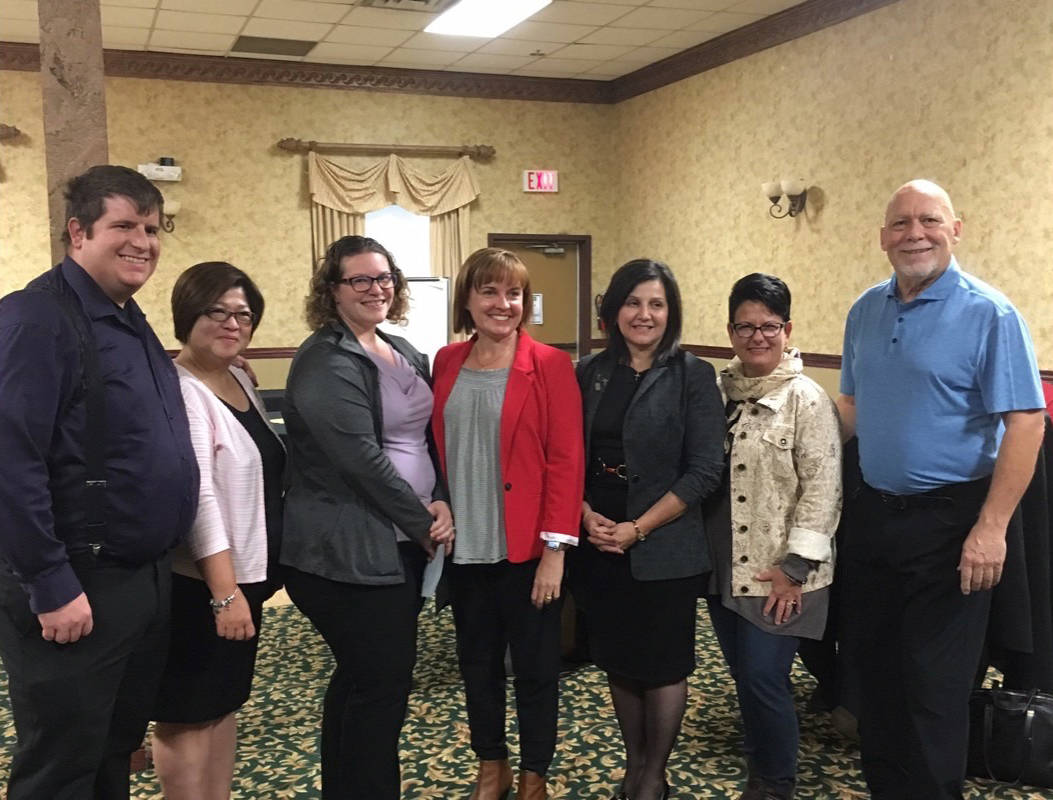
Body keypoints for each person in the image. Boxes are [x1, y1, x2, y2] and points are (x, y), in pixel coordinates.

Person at [837, 179, 1045, 800]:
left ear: (956, 230)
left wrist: (991, 527)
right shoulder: (864, 310)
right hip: (874, 517)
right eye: (900, 223)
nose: (914, 234)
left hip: (954, 526)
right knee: (875, 682)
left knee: (935, 690)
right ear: (882, 237)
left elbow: (1027, 421)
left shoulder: (991, 313)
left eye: (929, 220)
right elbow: (850, 404)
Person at [0, 165, 198, 798]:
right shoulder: (37, 318)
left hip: (138, 581)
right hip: (75, 586)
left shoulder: (127, 317)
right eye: (123, 225)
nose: (142, 240)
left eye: (150, 226)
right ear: (77, 232)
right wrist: (50, 583)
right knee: (62, 766)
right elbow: (11, 460)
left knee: (113, 751)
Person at [280, 235, 453, 799]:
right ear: (332, 290)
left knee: (367, 682)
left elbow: (430, 438)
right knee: (379, 684)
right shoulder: (325, 361)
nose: (376, 288)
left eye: (384, 278)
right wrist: (423, 522)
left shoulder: (396, 346)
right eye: (360, 279)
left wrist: (443, 498)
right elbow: (360, 460)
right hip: (345, 551)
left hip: (396, 543)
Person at [431, 247, 584, 800]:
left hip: (528, 552)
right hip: (466, 549)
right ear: (468, 299)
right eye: (490, 292)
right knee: (477, 665)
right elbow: (434, 447)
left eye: (514, 293)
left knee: (538, 670)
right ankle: (490, 763)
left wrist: (555, 550)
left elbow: (567, 461)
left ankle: (534, 772)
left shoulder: (549, 365)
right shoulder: (446, 362)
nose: (503, 304)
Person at [576, 259, 724, 800]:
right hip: (599, 540)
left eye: (656, 304)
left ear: (671, 313)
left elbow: (706, 469)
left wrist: (639, 527)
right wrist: (585, 512)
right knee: (619, 659)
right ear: (614, 310)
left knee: (661, 665)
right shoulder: (588, 372)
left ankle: (653, 776)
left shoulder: (693, 375)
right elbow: (569, 456)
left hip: (665, 541)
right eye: (633, 302)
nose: (644, 314)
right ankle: (633, 765)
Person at [151, 262, 285, 799]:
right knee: (186, 715)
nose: (232, 324)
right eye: (217, 312)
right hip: (202, 587)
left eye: (243, 315)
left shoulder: (235, 379)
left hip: (242, 581)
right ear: (188, 315)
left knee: (222, 704)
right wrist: (224, 592)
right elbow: (201, 498)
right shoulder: (185, 393)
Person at [706, 273, 842, 800]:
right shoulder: (722, 393)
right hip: (727, 566)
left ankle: (775, 782)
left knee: (764, 678)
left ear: (787, 329)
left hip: (783, 572)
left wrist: (794, 569)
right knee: (748, 677)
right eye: (745, 326)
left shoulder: (806, 399)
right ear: (730, 330)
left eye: (769, 326)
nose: (757, 336)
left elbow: (824, 489)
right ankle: (764, 754)